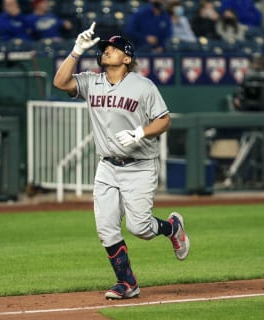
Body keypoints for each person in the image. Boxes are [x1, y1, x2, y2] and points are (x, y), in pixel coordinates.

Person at [53, 23, 190, 300]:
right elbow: (60, 83)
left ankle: (171, 227)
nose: (107, 51)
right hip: (107, 165)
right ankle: (127, 282)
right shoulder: (93, 81)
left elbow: (164, 120)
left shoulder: (143, 85)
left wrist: (140, 131)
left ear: (127, 58)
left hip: (139, 165)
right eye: (104, 49)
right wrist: (76, 51)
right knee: (105, 227)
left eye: (114, 49)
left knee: (139, 228)